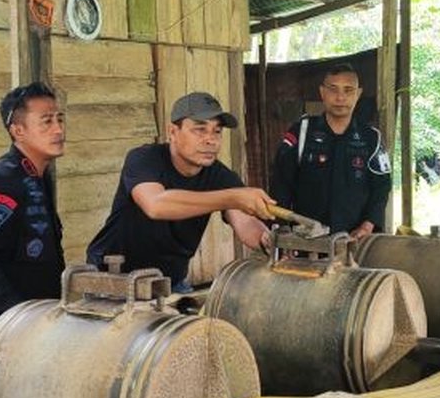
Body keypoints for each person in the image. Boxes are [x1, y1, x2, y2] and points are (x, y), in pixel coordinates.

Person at [86, 92, 273, 292]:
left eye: (217, 131)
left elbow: (245, 222)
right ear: (173, 132)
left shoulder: (220, 176)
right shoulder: (144, 159)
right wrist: (233, 197)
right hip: (112, 279)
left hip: (170, 283)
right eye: (200, 130)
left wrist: (269, 240)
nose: (211, 140)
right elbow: (156, 205)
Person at [0, 82, 66, 334]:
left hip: (43, 323)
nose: (58, 129)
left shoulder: (38, 176)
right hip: (10, 331)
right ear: (18, 131)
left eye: (60, 119)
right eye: (47, 121)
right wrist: (19, 316)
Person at [270, 63, 390, 239]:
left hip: (355, 241)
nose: (340, 97)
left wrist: (367, 225)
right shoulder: (302, 132)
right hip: (306, 241)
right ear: (322, 93)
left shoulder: (371, 138)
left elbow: (381, 187)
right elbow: (281, 183)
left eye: (348, 90)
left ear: (358, 94)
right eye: (333, 90)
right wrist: (282, 230)